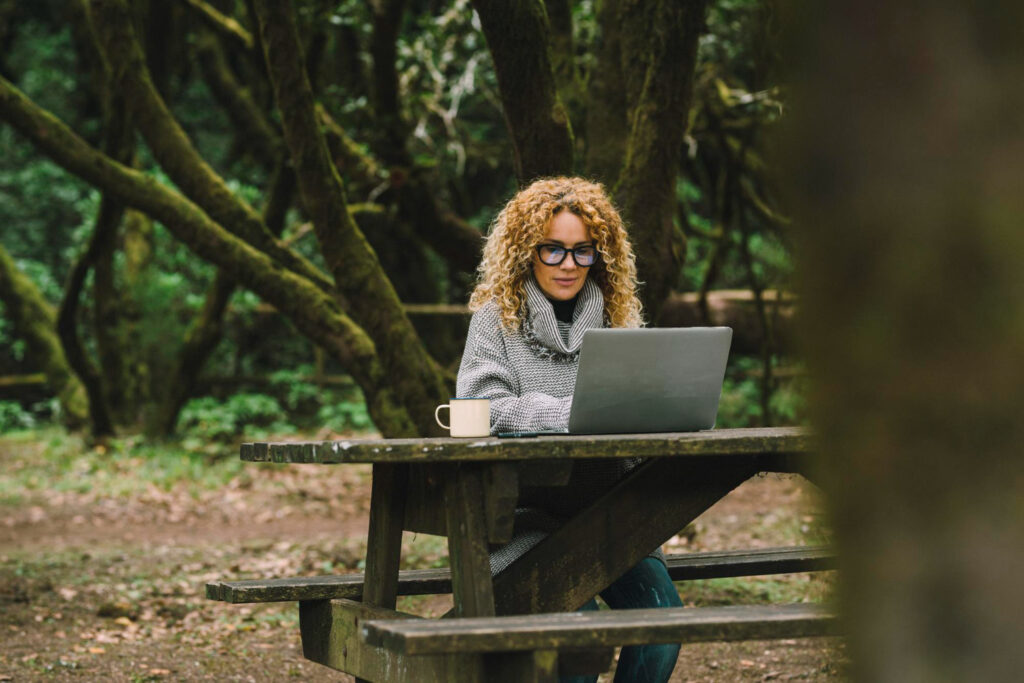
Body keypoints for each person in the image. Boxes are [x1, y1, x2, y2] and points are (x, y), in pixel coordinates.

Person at [457, 177, 683, 683]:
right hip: (521, 525)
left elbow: (631, 424)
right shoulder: (494, 321)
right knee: (579, 644)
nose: (567, 264)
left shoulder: (619, 322)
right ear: (526, 252)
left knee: (663, 629)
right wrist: (577, 412)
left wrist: (660, 421)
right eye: (553, 249)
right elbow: (483, 407)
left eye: (583, 252)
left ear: (599, 257)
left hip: (609, 519)